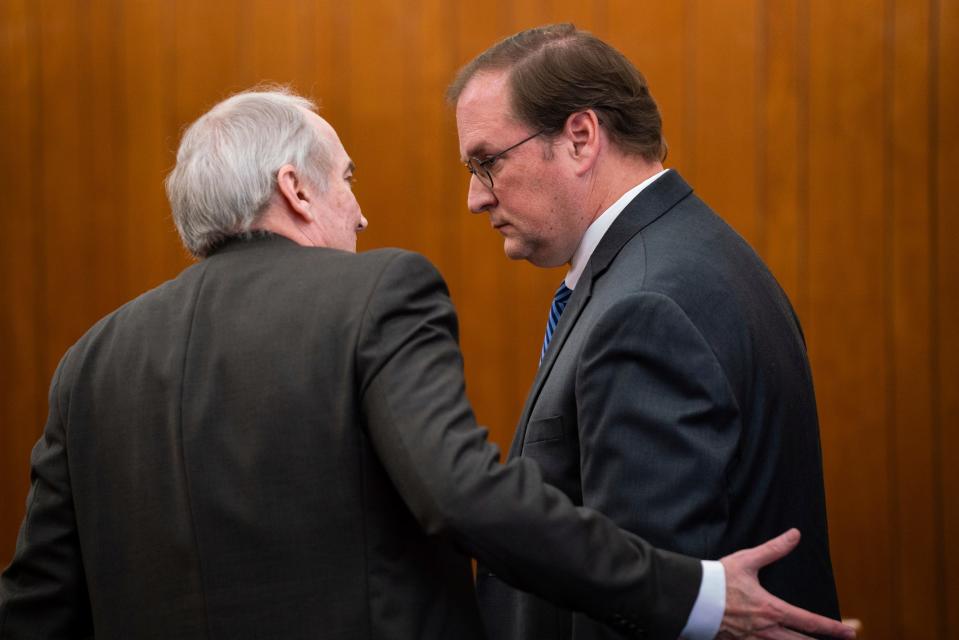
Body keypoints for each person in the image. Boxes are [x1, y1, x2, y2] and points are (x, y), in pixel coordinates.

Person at [0, 89, 853, 640]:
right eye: (347, 181)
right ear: (296, 190)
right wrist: (691, 594)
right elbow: (464, 497)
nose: (361, 214)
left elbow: (37, 606)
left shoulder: (88, 362)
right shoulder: (376, 293)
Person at [449, 24, 843, 640]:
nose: (475, 197)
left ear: (580, 138)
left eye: (487, 162)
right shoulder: (693, 255)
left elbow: (641, 607)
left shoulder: (648, 306)